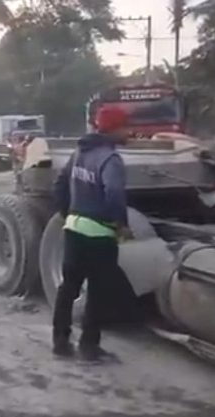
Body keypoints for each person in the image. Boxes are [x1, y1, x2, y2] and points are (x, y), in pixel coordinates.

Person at [52, 105, 132, 361]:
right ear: (115, 129)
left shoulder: (78, 152)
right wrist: (121, 224)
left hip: (74, 230)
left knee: (69, 288)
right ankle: (89, 347)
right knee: (98, 292)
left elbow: (60, 183)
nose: (129, 131)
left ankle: (60, 343)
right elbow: (115, 194)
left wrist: (68, 213)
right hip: (99, 234)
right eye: (126, 126)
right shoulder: (110, 159)